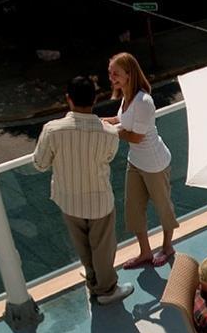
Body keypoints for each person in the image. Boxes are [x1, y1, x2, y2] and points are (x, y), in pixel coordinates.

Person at [33, 76, 134, 305]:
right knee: (102, 248)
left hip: (68, 199)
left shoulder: (52, 130)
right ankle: (106, 290)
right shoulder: (108, 133)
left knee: (82, 245)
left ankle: (93, 280)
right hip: (99, 200)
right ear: (95, 99)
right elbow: (109, 157)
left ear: (68, 99)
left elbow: (40, 164)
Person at [102, 52, 177, 268]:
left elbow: (136, 136)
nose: (111, 77)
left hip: (154, 164)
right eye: (110, 73)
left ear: (129, 73)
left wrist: (110, 131)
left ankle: (167, 247)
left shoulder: (144, 101)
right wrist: (105, 121)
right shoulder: (127, 96)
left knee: (163, 207)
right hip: (135, 161)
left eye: (115, 73)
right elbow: (124, 120)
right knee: (133, 208)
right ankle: (145, 253)